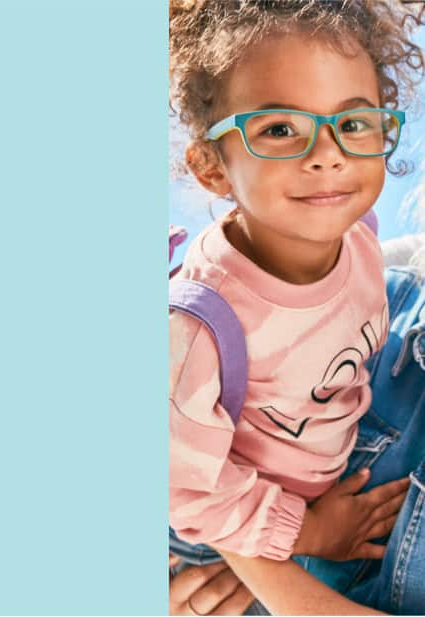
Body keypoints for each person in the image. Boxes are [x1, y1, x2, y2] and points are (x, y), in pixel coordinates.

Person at [168, 0, 424, 581]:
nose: (328, 155)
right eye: (281, 129)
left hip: (327, 469)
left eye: (354, 123)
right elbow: (187, 492)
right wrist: (310, 533)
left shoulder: (355, 233)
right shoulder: (196, 331)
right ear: (211, 165)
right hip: (230, 533)